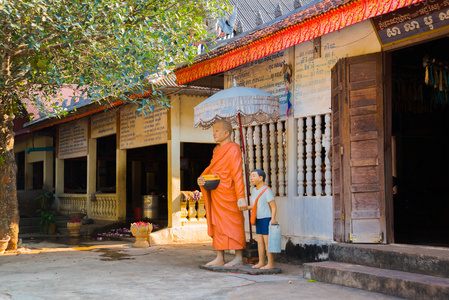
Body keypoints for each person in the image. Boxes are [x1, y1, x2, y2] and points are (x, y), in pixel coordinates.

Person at [197, 120, 248, 267]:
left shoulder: (234, 149)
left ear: (227, 133)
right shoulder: (216, 150)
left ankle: (238, 256)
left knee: (234, 223)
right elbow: (213, 172)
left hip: (230, 193)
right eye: (213, 130)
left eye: (217, 130)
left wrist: (241, 197)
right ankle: (220, 256)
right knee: (217, 224)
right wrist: (203, 180)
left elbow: (237, 174)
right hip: (217, 193)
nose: (214, 133)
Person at [248, 169, 277, 270]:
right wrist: (247, 207)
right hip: (258, 218)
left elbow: (273, 206)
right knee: (259, 241)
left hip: (266, 218)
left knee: (267, 242)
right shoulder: (253, 191)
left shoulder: (266, 190)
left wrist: (273, 218)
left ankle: (271, 263)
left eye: (254, 176)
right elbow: (256, 206)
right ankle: (261, 262)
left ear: (261, 178)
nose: (251, 178)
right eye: (251, 176)